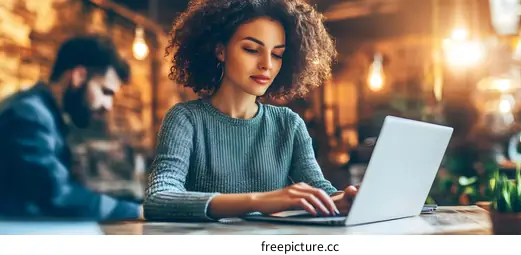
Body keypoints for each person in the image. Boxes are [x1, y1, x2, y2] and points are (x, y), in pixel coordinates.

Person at [144, 0, 359, 222]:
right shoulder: (186, 119)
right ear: (220, 51)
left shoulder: (288, 124)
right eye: (251, 49)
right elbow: (159, 198)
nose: (267, 64)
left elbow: (319, 189)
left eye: (277, 54)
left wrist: (346, 198)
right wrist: (259, 201)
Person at [0, 35, 142, 221]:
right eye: (105, 91)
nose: (108, 105)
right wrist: (136, 211)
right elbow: (56, 195)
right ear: (79, 76)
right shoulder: (29, 114)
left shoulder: (46, 115)